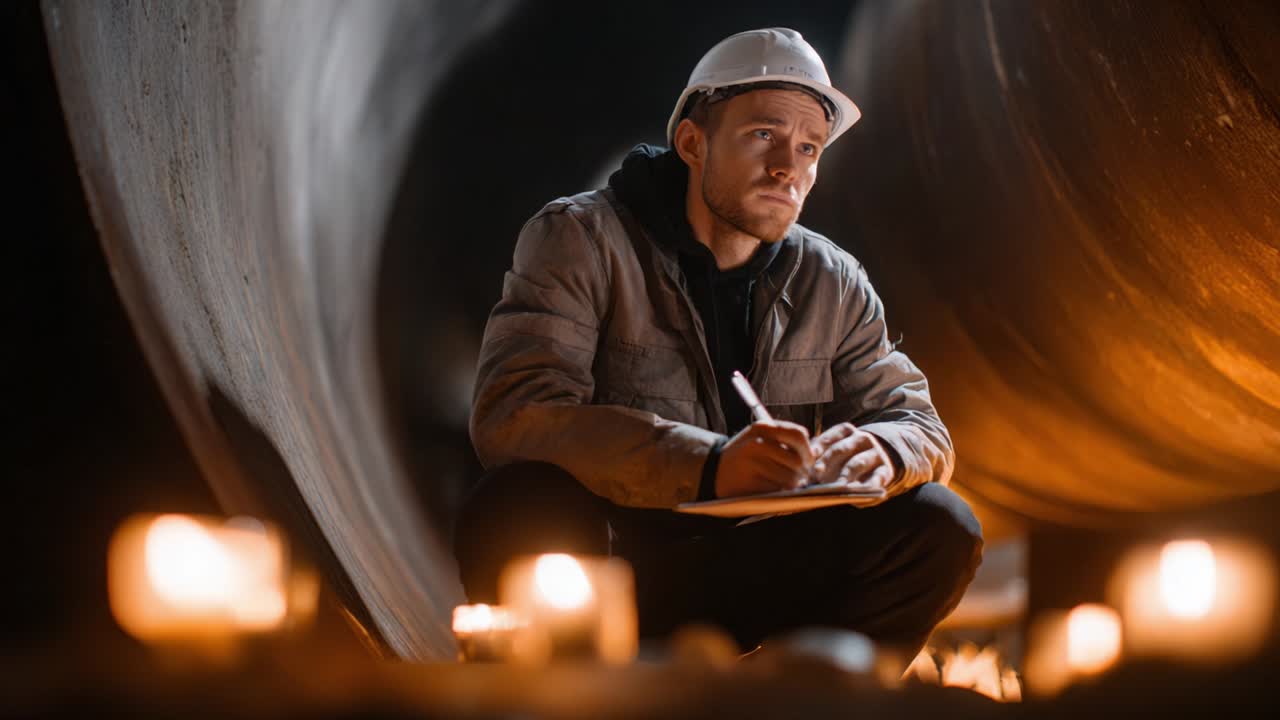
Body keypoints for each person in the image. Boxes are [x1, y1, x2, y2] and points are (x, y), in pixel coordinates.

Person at [455, 28, 981, 660]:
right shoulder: (581, 239)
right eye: (763, 135)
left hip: (753, 562)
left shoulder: (833, 281)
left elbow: (920, 424)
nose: (788, 166)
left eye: (808, 148)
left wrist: (884, 451)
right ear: (692, 144)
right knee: (515, 503)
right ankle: (573, 689)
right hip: (613, 567)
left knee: (939, 525)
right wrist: (708, 465)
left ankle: (817, 692)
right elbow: (515, 415)